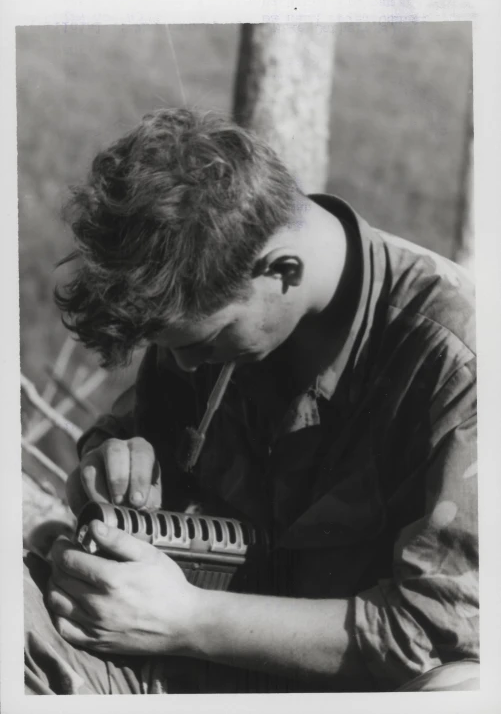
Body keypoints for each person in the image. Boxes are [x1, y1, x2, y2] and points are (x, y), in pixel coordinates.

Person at [24, 108, 479, 694]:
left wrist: (188, 620)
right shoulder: (212, 302)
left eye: (203, 343)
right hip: (174, 670)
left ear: (283, 271)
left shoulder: (459, 360)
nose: (184, 366)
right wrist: (108, 467)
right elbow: (137, 440)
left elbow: (434, 630)